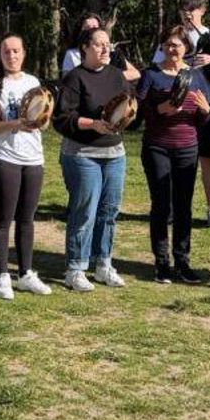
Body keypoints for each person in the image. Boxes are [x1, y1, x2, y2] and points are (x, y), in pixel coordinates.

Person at [52, 27, 132, 291]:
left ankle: (103, 264)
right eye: (99, 44)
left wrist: (127, 115)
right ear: (84, 48)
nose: (105, 49)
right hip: (82, 154)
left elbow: (128, 107)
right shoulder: (75, 78)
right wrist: (92, 124)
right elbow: (63, 119)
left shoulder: (117, 76)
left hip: (114, 153)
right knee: (85, 210)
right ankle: (75, 268)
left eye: (108, 44)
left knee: (109, 211)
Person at [156, 0, 210, 228]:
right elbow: (157, 66)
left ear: (202, 10)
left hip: (209, 104)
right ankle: (175, 207)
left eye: (192, 8)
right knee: (177, 157)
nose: (187, 13)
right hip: (179, 104)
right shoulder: (173, 38)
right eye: (184, 8)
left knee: (208, 157)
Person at [0, 34, 50, 299]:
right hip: (4, 157)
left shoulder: (33, 82)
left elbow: (43, 120)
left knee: (27, 219)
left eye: (16, 51)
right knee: (2, 219)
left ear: (24, 53)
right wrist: (15, 124)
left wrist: (41, 120)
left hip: (33, 158)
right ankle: (2, 275)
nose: (12, 56)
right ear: (0, 55)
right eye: (7, 52)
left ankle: (26, 273)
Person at [138, 26, 210, 285]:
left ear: (187, 48)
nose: (173, 49)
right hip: (157, 146)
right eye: (168, 44)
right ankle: (162, 264)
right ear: (162, 47)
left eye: (178, 45)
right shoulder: (151, 75)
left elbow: (203, 118)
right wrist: (161, 108)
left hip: (187, 148)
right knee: (162, 205)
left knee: (183, 206)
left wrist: (205, 112)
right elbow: (140, 112)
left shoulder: (196, 77)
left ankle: (183, 261)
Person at [59, 12, 141, 82]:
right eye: (87, 28)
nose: (92, 30)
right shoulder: (72, 54)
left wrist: (110, 77)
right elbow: (67, 81)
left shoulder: (111, 52)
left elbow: (135, 73)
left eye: (95, 27)